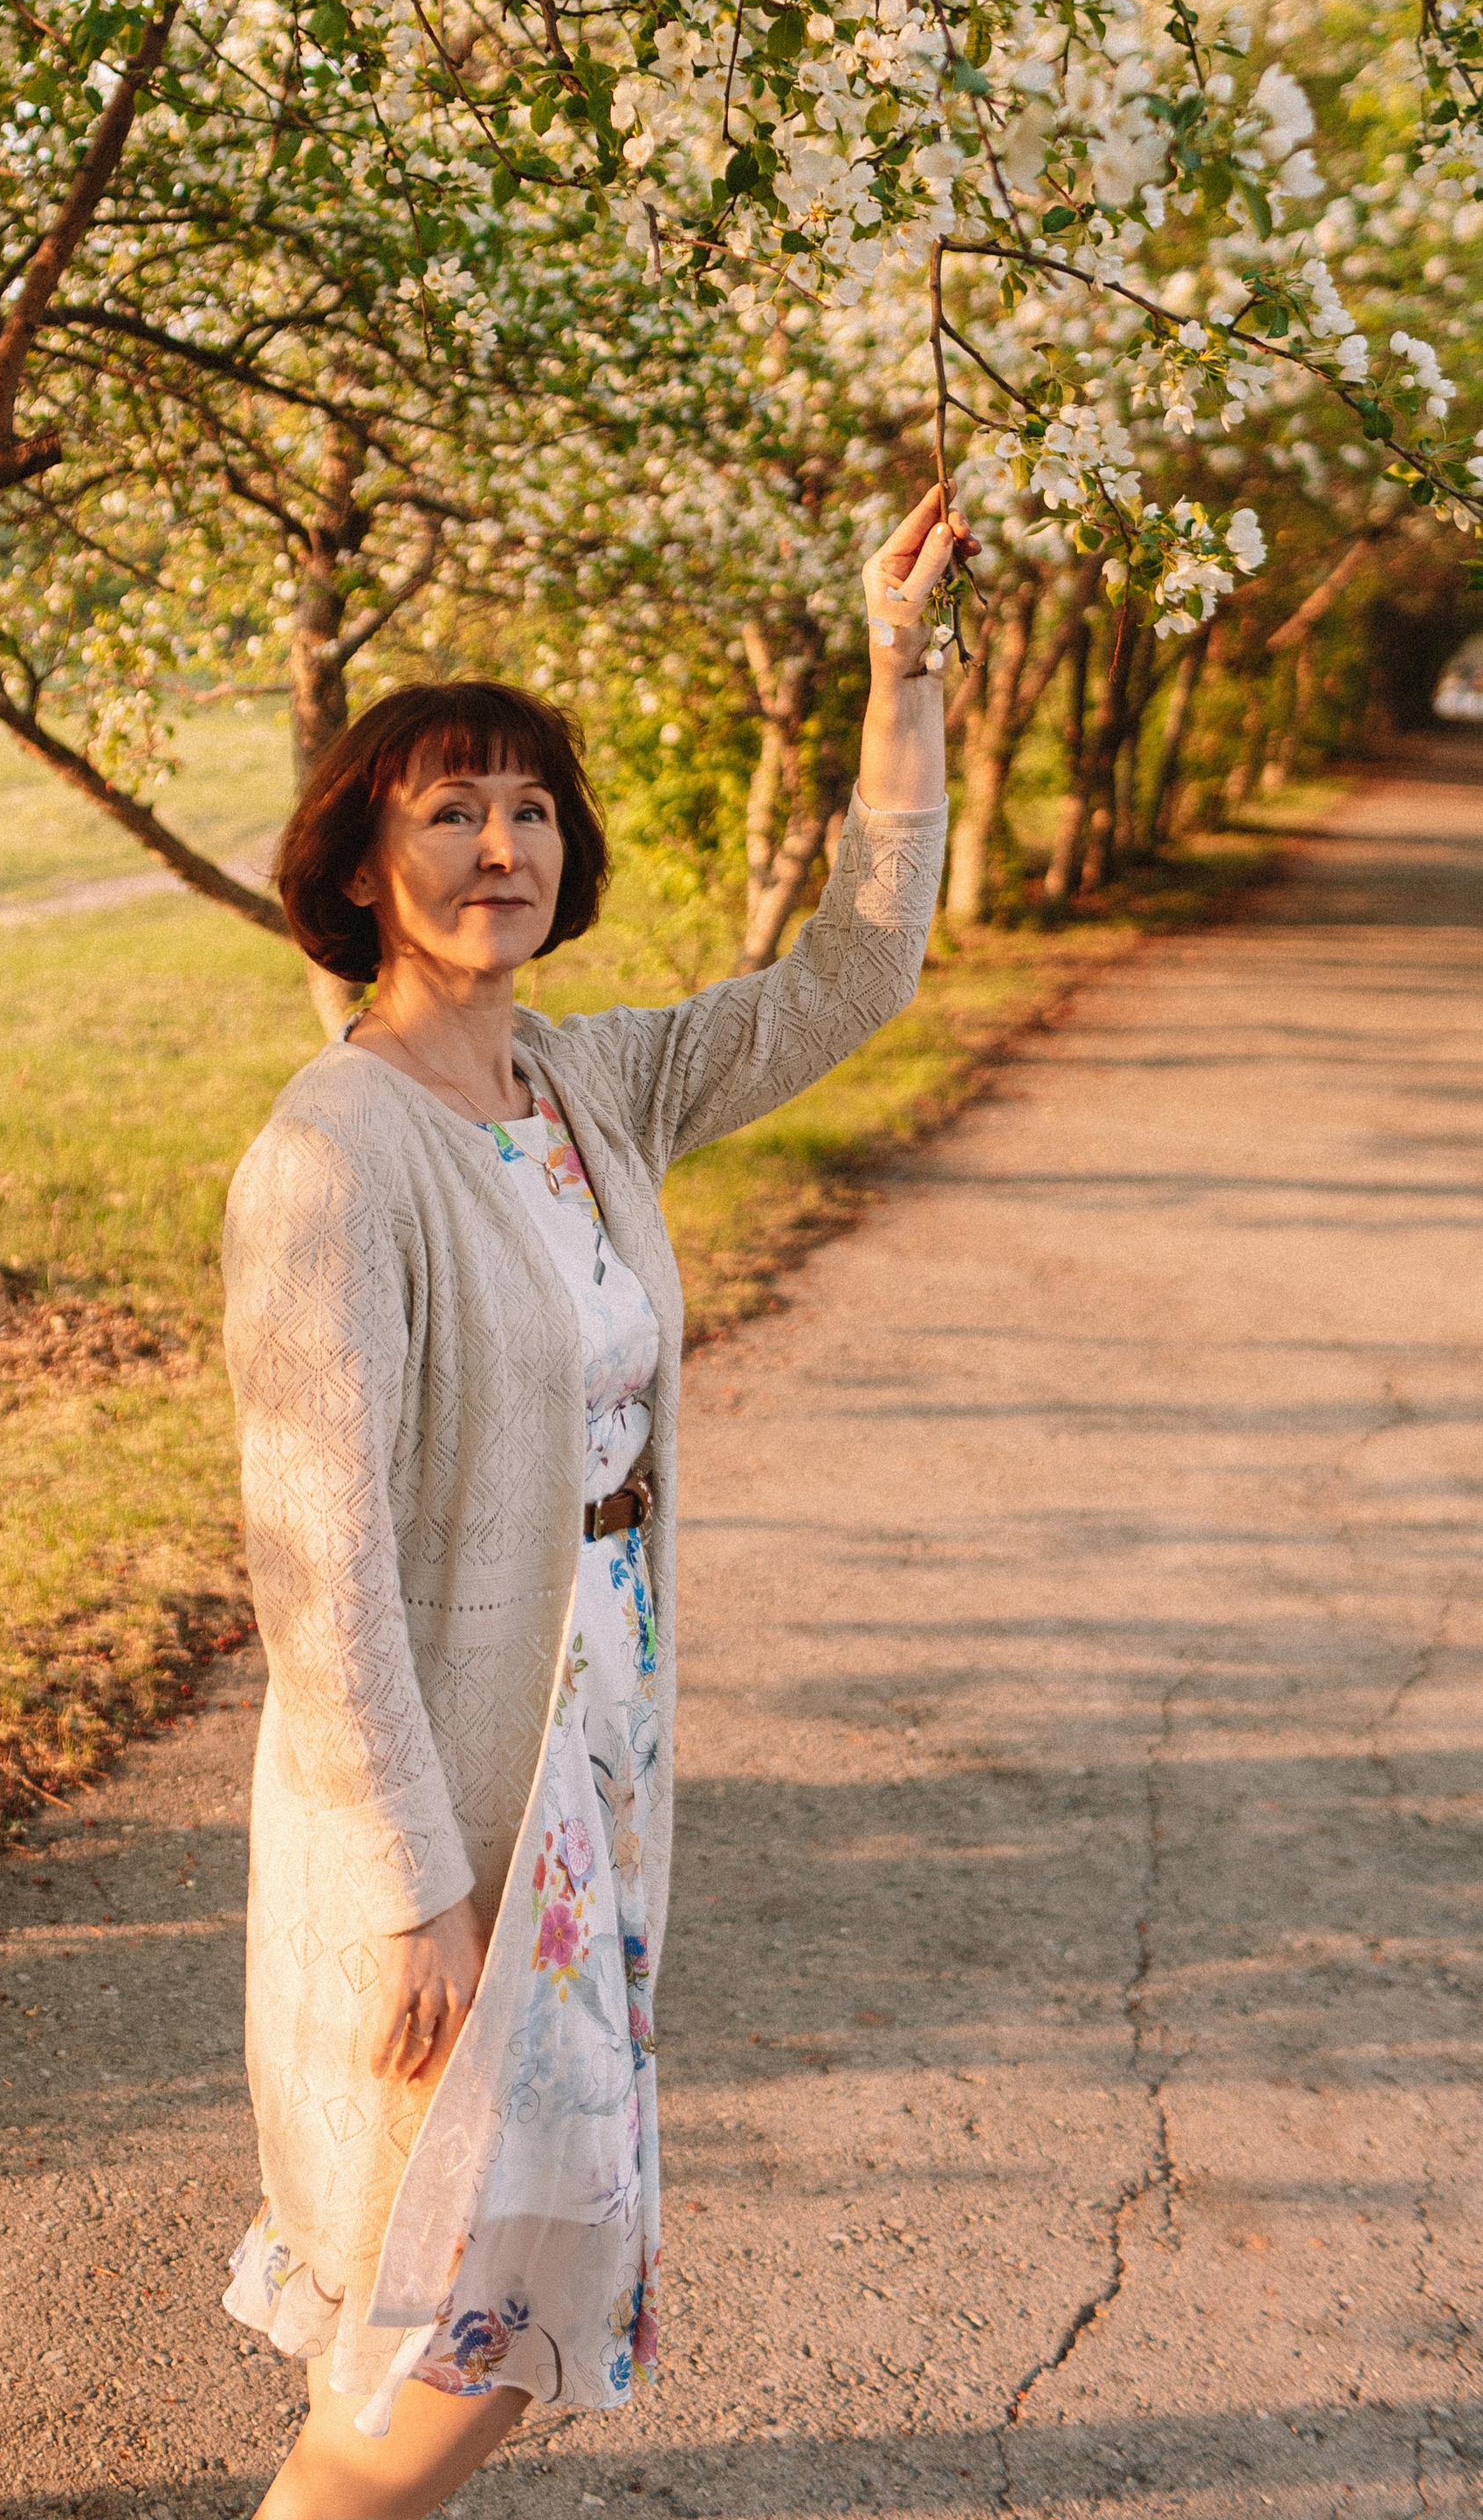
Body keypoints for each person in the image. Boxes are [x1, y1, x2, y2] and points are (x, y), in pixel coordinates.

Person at [221, 490, 965, 2520]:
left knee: (494, 2272)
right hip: (459, 1782)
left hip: (599, 1733)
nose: (499, 847)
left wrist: (897, 677)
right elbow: (318, 1559)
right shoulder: (334, 1157)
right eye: (451, 811)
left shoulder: (585, 1088)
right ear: (361, 872)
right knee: (467, 2272)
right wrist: (409, 1886)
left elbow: (857, 966)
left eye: (531, 809)